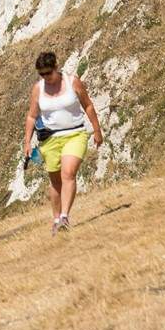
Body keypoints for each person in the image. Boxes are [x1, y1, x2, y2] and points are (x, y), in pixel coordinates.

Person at [21, 51, 104, 234]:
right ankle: (56, 218)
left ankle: (65, 217)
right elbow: (32, 116)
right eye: (41, 74)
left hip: (75, 134)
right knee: (56, 182)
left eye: (48, 73)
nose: (45, 77)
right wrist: (27, 142)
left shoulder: (72, 81)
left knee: (68, 173)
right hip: (50, 139)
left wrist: (97, 130)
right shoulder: (38, 89)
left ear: (56, 68)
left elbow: (87, 105)